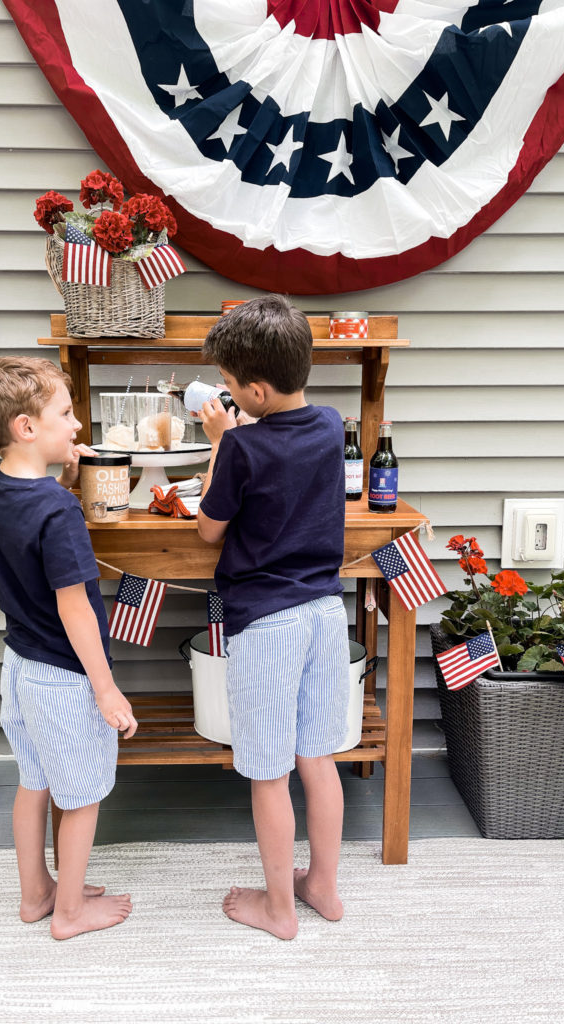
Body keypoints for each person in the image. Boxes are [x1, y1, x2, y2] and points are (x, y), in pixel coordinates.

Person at [0, 356, 138, 941]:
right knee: (82, 794)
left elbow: (24, 531)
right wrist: (106, 687)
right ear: (26, 427)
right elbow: (74, 606)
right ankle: (69, 913)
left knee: (34, 781)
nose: (78, 426)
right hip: (65, 675)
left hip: (19, 663)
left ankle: (37, 892)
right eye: (65, 413)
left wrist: (61, 478)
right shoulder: (59, 512)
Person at [197, 295, 349, 940]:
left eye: (233, 387)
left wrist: (219, 444)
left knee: (267, 770)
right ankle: (323, 887)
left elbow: (209, 530)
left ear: (254, 390)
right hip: (324, 613)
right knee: (319, 757)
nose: (230, 397)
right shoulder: (333, 422)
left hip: (267, 621)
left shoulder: (242, 447)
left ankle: (279, 908)